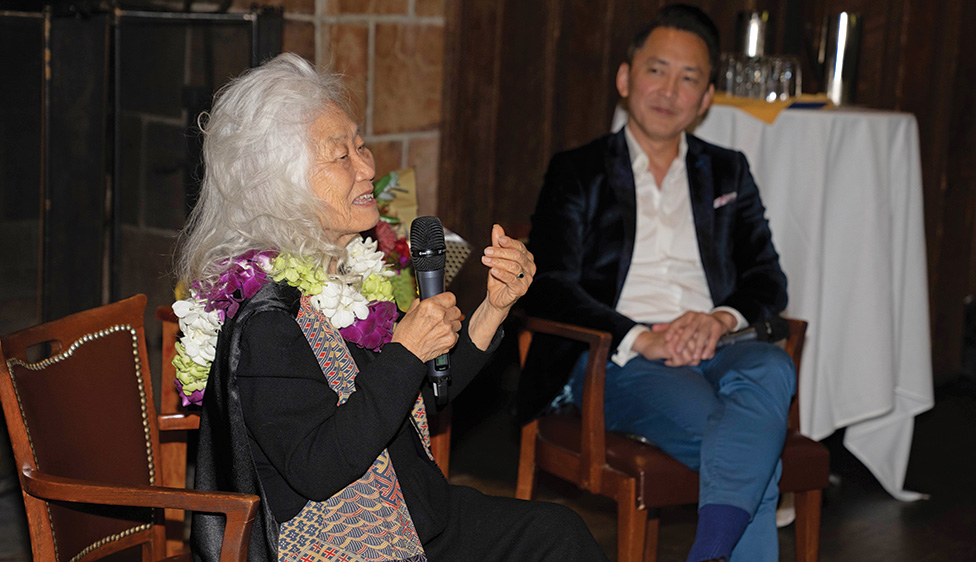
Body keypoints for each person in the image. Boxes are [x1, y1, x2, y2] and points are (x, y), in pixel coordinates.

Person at [173, 53, 608, 562]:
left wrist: (493, 307)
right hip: (356, 538)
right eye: (341, 156)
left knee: (559, 533)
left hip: (419, 513)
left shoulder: (345, 272)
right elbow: (318, 468)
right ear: (281, 184)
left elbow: (422, 393)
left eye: (360, 145)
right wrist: (405, 352)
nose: (368, 167)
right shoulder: (266, 321)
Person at [515, 5, 795, 562]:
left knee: (773, 366)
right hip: (620, 357)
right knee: (751, 448)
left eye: (689, 77)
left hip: (718, 344)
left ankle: (710, 550)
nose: (670, 90)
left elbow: (768, 278)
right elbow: (550, 284)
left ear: (708, 96)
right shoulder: (580, 170)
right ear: (625, 78)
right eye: (656, 70)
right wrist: (642, 337)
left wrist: (718, 320)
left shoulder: (727, 170)